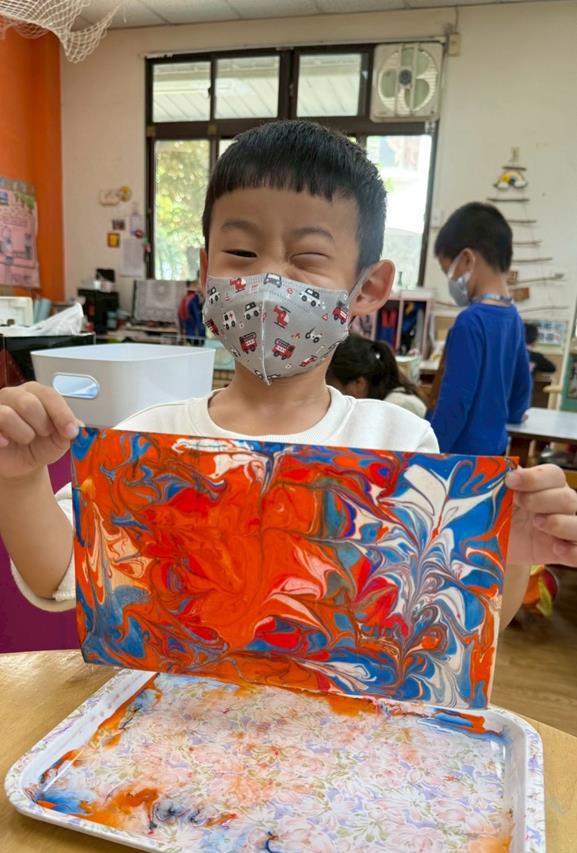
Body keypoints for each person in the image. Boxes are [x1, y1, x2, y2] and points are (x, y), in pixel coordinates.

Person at [0, 123, 575, 630]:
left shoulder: (399, 444)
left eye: (307, 257)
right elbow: (63, 576)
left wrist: (512, 554)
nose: (271, 280)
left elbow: (445, 625)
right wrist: (20, 482)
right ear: (205, 270)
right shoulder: (148, 438)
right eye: (242, 253)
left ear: (368, 288)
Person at [429, 202, 532, 455]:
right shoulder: (514, 318)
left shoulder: (470, 321)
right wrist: (513, 414)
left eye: (448, 271)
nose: (451, 281)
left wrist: (428, 453)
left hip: (460, 459)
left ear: (467, 259)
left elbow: (454, 403)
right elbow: (522, 391)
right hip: (494, 455)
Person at [327, 333, 427, 417]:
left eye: (331, 390)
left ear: (359, 384)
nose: (330, 398)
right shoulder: (381, 403)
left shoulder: (397, 406)